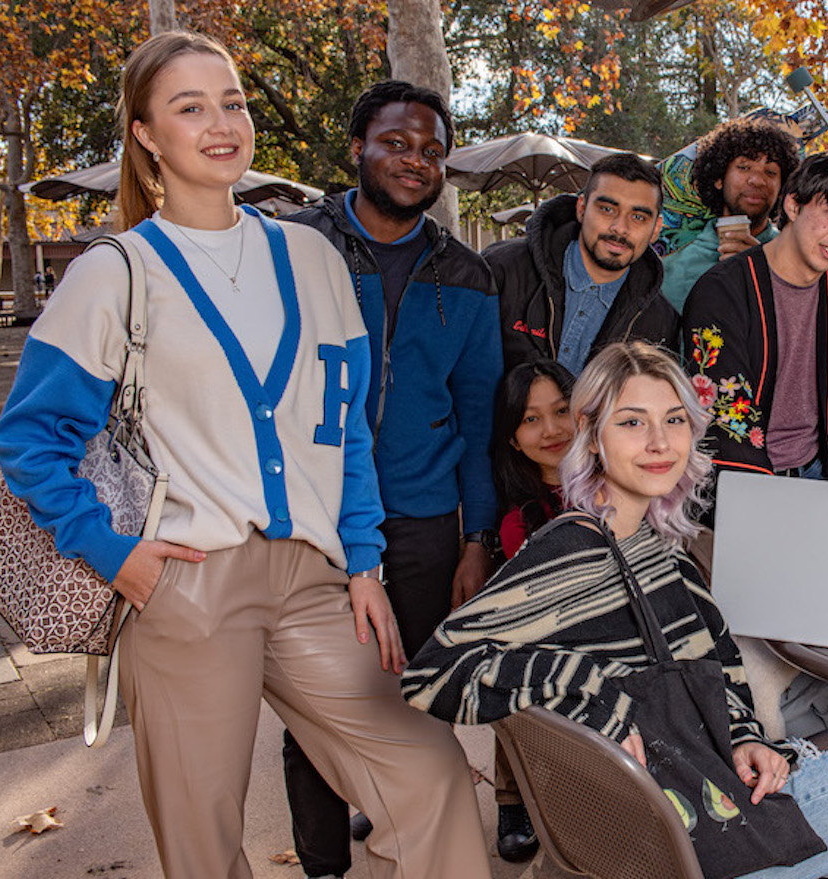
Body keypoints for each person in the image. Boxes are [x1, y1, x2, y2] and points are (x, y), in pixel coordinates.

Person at [0, 32, 487, 878]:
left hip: (313, 582)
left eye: (233, 103)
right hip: (182, 583)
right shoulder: (116, 272)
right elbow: (29, 441)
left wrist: (363, 562)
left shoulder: (313, 257)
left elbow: (344, 433)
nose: (221, 124)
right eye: (190, 107)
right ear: (146, 133)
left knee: (429, 769)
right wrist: (116, 556)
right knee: (203, 839)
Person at [403, 341, 828, 879]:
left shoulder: (659, 551)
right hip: (685, 837)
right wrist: (590, 688)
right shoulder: (572, 545)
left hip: (719, 785)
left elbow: (717, 670)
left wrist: (748, 738)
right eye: (632, 423)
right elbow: (430, 676)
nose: (661, 442)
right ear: (592, 436)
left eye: (674, 420)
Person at [279, 80, 506, 873]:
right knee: (315, 704)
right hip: (306, 516)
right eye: (398, 143)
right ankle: (322, 864)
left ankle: (406, 827)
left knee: (413, 696)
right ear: (357, 149)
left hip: (420, 519)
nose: (416, 162)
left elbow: (479, 426)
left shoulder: (469, 276)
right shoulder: (291, 247)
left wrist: (476, 538)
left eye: (432, 150)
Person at [682, 149, 828, 554]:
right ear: (793, 203)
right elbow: (728, 421)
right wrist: (777, 527)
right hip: (732, 491)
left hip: (820, 479)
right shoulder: (723, 292)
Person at [489, 152, 679, 372]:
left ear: (656, 228)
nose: (620, 227)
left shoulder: (661, 321)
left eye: (638, 217)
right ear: (581, 208)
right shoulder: (503, 270)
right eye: (607, 209)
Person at [659, 117, 800, 311]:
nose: (757, 180)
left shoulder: (798, 257)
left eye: (770, 172)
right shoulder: (673, 266)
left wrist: (764, 277)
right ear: (719, 178)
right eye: (744, 167)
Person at [493, 359, 577, 559]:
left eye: (562, 410)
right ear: (513, 439)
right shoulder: (520, 525)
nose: (551, 430)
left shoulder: (622, 486)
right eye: (531, 419)